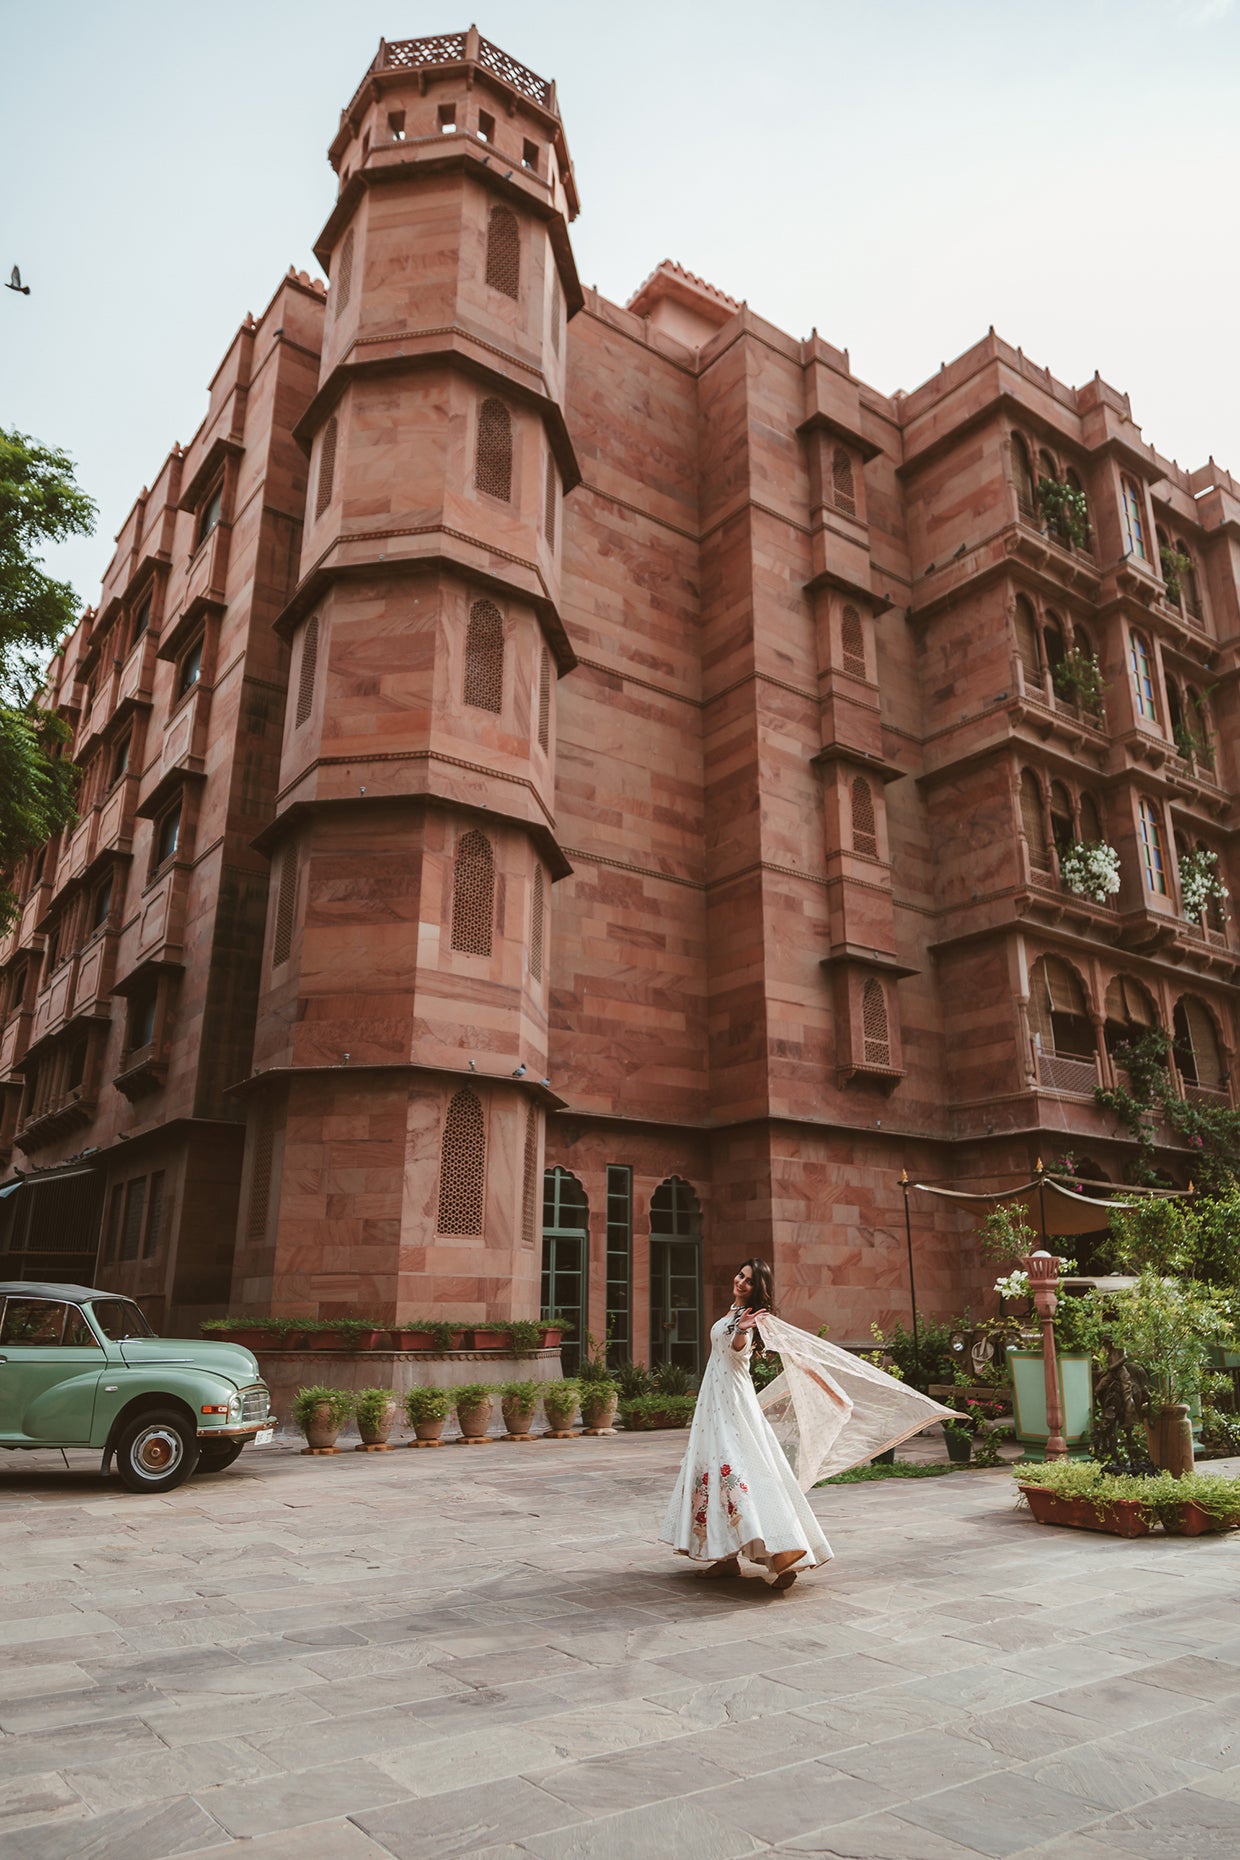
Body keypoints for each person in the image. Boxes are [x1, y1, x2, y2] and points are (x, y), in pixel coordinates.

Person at [660, 1258, 955, 1589]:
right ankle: (726, 1559)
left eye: (749, 1281)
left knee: (744, 1471)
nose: (740, 1282)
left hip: (732, 1405)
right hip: (713, 1403)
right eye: (740, 1275)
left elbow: (739, 1350)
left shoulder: (754, 1320)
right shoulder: (732, 1314)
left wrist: (743, 1330)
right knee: (716, 1470)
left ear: (758, 1289)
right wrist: (737, 1324)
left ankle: (785, 1551)